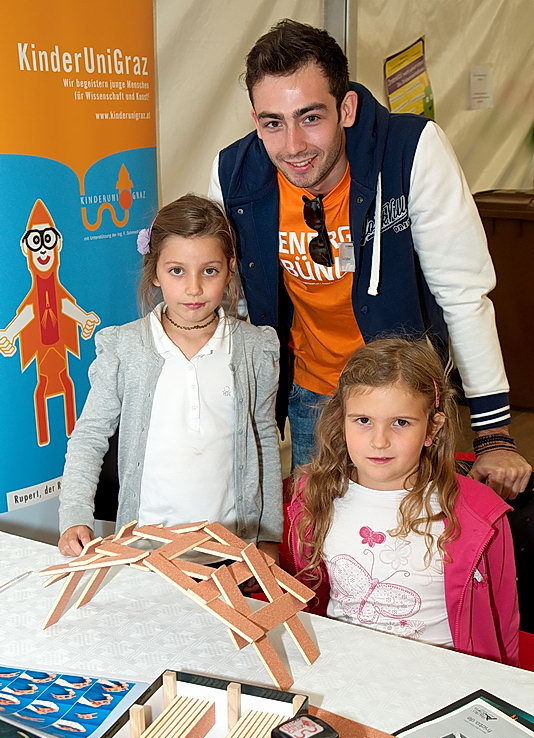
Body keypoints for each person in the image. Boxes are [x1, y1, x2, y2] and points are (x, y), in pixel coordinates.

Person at [209, 18, 531, 498]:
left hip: (404, 401)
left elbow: (463, 295)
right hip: (312, 396)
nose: (293, 146)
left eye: (311, 117)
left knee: (413, 531)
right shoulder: (233, 173)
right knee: (320, 532)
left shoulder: (411, 151)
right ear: (255, 119)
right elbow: (231, 304)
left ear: (346, 108)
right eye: (273, 122)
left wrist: (494, 435)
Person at [57, 194, 282, 565]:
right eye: (177, 271)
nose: (194, 288)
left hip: (230, 550)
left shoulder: (254, 348)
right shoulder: (124, 347)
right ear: (155, 272)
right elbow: (90, 436)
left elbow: (265, 440)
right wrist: (75, 515)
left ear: (229, 269)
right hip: (145, 551)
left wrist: (269, 534)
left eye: (209, 271)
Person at [288, 338, 519, 666]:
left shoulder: (480, 513)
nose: (379, 440)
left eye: (400, 423)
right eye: (363, 420)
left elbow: (503, 619)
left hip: (439, 676)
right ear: (341, 421)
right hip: (341, 667)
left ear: (432, 428)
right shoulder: (314, 493)